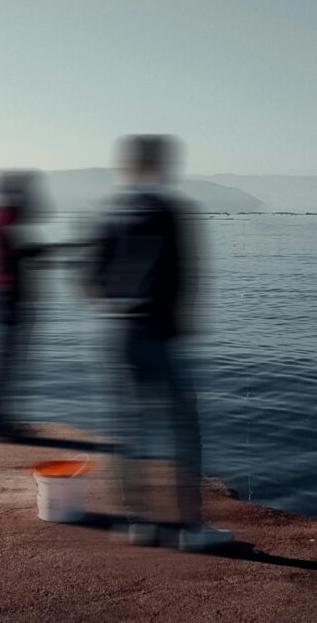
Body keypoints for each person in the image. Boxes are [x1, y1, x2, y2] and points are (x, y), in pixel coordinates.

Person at [86, 135, 233, 550]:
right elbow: (188, 276)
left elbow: (88, 283)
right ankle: (191, 529)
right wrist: (180, 317)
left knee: (131, 429)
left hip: (119, 335)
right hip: (160, 336)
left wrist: (121, 301)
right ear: (159, 164)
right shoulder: (170, 210)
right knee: (184, 429)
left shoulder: (108, 212)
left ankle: (139, 525)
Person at [0, 170, 45, 439]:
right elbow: (21, 252)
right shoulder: (7, 215)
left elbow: (13, 251)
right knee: (6, 363)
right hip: (7, 298)